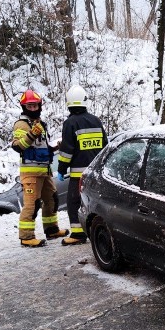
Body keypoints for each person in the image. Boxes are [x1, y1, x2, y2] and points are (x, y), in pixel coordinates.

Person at [11, 89, 69, 247]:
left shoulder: (40, 124)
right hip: (31, 174)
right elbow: (18, 146)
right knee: (32, 204)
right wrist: (31, 134)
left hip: (45, 172)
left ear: (39, 105)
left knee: (51, 201)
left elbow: (41, 149)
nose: (33, 109)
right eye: (29, 106)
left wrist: (55, 147)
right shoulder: (21, 124)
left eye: (35, 105)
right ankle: (26, 237)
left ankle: (51, 230)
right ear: (24, 107)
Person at [56, 85, 107, 245]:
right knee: (96, 203)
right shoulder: (96, 120)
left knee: (75, 202)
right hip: (97, 173)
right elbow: (106, 146)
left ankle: (78, 234)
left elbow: (66, 151)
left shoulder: (70, 123)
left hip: (79, 175)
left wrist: (61, 169)